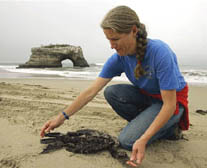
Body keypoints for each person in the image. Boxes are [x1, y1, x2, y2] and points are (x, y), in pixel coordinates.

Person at [40, 5, 189, 167]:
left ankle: (170, 128)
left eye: (115, 39)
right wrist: (60, 117)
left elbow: (169, 104)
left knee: (127, 141)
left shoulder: (160, 52)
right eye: (108, 40)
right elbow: (91, 91)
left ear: (133, 31)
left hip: (171, 103)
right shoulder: (119, 58)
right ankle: (148, 124)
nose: (111, 45)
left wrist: (144, 139)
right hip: (147, 97)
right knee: (112, 92)